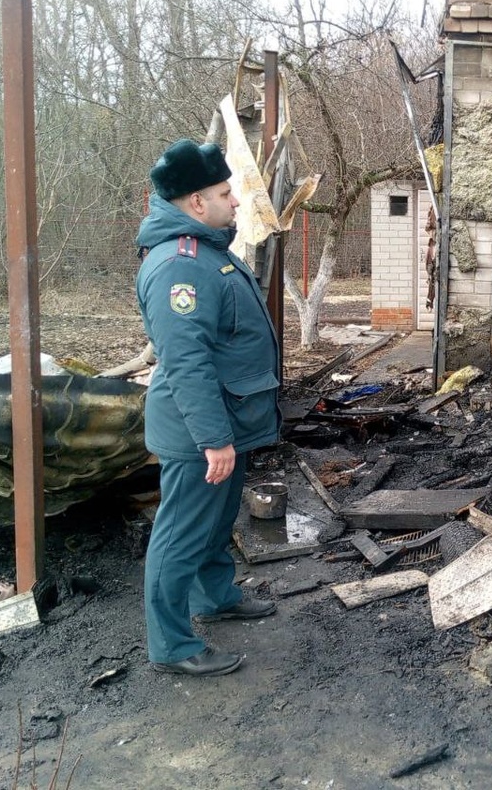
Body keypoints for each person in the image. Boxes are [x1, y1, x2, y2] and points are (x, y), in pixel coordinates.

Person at [135, 138, 281, 677]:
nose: (235, 201)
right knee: (181, 533)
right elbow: (186, 362)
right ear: (197, 202)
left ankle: (215, 596)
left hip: (225, 420)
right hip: (200, 430)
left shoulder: (207, 252)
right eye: (225, 193)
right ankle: (172, 645)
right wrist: (213, 440)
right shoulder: (181, 266)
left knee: (216, 523)